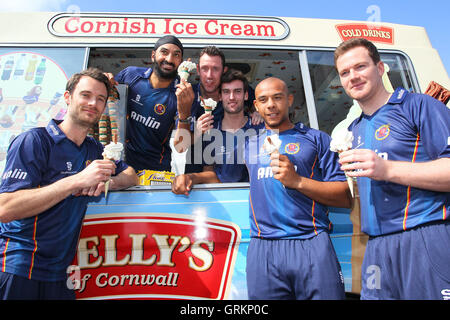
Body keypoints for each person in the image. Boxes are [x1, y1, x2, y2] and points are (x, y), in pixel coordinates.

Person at [0, 68, 138, 300]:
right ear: (68, 97)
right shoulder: (35, 141)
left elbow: (132, 175)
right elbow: (5, 208)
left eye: (100, 99)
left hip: (61, 273)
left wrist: (108, 182)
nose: (93, 103)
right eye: (85, 95)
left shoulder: (94, 149)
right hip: (19, 266)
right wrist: (77, 181)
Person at [334, 38, 450, 300]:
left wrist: (385, 169)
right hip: (376, 246)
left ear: (381, 68)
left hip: (425, 236)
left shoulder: (418, 105)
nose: (353, 77)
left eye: (360, 66)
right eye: (345, 72)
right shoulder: (353, 130)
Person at [245, 77, 351, 299]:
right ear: (256, 106)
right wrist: (191, 178)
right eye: (263, 100)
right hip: (264, 247)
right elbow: (219, 176)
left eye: (277, 97)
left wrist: (297, 181)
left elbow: (345, 196)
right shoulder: (248, 145)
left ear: (289, 100)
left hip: (310, 241)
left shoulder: (317, 139)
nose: (271, 105)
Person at [106, 35, 194, 171]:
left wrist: (184, 113)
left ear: (180, 62)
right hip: (120, 162)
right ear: (153, 55)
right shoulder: (131, 75)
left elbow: (181, 147)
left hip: (155, 171)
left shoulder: (182, 93)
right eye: (164, 52)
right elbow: (107, 101)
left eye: (176, 55)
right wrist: (104, 81)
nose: (169, 59)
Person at [172, 69, 264, 194]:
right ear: (220, 97)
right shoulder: (210, 131)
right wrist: (191, 177)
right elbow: (209, 173)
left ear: (246, 95)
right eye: (226, 92)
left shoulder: (261, 129)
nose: (232, 97)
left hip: (256, 199)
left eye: (237, 91)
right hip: (222, 202)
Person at [185, 46, 262, 173]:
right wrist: (198, 133)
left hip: (229, 169)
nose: (209, 75)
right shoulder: (188, 93)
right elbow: (180, 145)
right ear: (198, 70)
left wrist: (258, 112)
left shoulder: (231, 88)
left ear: (223, 71)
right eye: (205, 68)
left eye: (215, 69)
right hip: (195, 169)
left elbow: (260, 101)